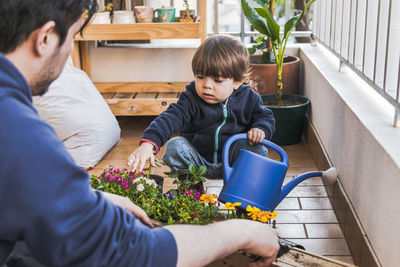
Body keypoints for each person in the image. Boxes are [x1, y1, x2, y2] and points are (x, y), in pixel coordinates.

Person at [0, 1, 279, 266]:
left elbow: (36, 189)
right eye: (73, 36)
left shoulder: (14, 128)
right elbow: (137, 254)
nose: (71, 48)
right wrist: (240, 233)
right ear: (46, 37)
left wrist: (98, 197)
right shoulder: (19, 134)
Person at [127, 35, 275, 180]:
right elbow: (170, 118)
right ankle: (191, 190)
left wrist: (260, 129)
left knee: (257, 149)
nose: (207, 85)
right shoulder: (191, 98)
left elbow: (265, 118)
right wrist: (148, 144)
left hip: (232, 162)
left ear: (237, 82)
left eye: (218, 80)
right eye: (200, 77)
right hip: (197, 163)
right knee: (174, 146)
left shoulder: (249, 98)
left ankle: (239, 192)